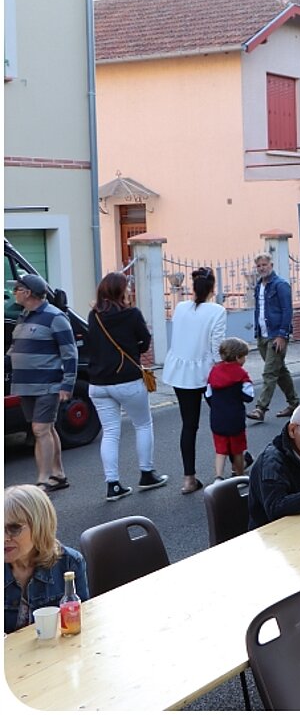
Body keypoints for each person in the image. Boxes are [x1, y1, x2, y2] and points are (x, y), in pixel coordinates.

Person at [86, 271, 167, 502]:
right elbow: (145, 342)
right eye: (127, 286)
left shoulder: (94, 316)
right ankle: (146, 473)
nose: (130, 289)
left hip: (98, 384)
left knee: (110, 432)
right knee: (142, 424)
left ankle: (112, 484)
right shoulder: (132, 314)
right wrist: (133, 348)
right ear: (121, 291)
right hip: (127, 380)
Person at [161, 267, 227, 495]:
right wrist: (224, 367)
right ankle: (240, 457)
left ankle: (189, 478)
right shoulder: (217, 310)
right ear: (213, 288)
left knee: (189, 425)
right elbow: (217, 345)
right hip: (206, 371)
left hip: (180, 371)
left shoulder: (180, 308)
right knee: (223, 416)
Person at [7, 275, 75, 493]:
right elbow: (16, 347)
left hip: (47, 383)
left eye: (17, 289)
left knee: (40, 429)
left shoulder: (55, 317)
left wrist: (67, 384)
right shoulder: (24, 316)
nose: (14, 292)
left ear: (27, 293)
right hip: (25, 384)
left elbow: (70, 353)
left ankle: (43, 480)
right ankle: (59, 474)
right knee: (47, 428)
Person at [4, 484, 88, 635]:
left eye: (14, 528)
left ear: (40, 526)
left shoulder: (69, 563)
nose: (4, 537)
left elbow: (84, 620)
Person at [248, 252, 299, 422]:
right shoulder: (259, 286)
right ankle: (294, 403)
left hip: (276, 334)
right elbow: (259, 310)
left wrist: (283, 335)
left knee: (269, 372)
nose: (262, 268)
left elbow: (287, 310)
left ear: (271, 265)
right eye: (259, 266)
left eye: (264, 265)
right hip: (263, 334)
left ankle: (260, 408)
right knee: (280, 370)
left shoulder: (280, 285)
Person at [205, 337, 254, 483]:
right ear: (238, 357)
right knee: (237, 450)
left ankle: (218, 477)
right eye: (244, 356)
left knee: (220, 450)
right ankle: (239, 477)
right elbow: (249, 396)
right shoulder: (241, 374)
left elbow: (208, 394)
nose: (245, 359)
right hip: (235, 418)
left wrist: (216, 405)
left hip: (217, 417)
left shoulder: (214, 371)